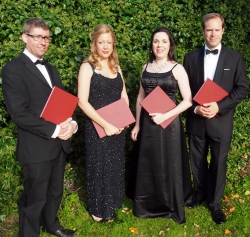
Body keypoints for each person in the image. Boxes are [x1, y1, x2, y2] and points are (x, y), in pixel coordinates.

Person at [1, 18, 77, 237]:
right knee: (34, 198)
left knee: (55, 192)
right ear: (25, 37)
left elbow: (62, 103)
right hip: (36, 147)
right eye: (38, 37)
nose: (44, 42)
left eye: (46, 38)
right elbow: (19, 113)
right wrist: (55, 130)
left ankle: (52, 226)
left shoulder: (51, 68)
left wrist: (71, 123)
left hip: (59, 144)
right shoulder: (12, 70)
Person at [183, 13, 249, 224]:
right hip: (197, 121)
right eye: (208, 29)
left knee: (219, 164)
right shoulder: (190, 58)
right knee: (197, 162)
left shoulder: (235, 58)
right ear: (202, 31)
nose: (212, 33)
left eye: (216, 29)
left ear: (223, 31)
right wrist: (195, 109)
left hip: (221, 122)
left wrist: (219, 106)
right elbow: (184, 93)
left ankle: (215, 204)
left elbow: (242, 89)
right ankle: (200, 194)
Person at [131, 27, 193, 224]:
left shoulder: (178, 68)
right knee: (149, 163)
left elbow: (188, 101)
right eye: (156, 41)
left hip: (170, 125)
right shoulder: (145, 67)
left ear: (170, 45)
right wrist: (137, 125)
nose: (159, 45)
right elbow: (141, 97)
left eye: (164, 41)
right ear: (152, 44)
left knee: (169, 163)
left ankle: (171, 204)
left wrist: (165, 115)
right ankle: (148, 205)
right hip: (148, 125)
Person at [77, 24, 129, 222]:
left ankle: (113, 204)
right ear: (94, 43)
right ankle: (98, 212)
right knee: (99, 166)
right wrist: (105, 124)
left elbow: (123, 94)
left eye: (109, 42)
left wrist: (124, 118)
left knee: (114, 165)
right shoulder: (87, 66)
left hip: (117, 126)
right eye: (101, 42)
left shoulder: (116, 66)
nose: (105, 46)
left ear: (113, 44)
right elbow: (82, 101)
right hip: (97, 126)